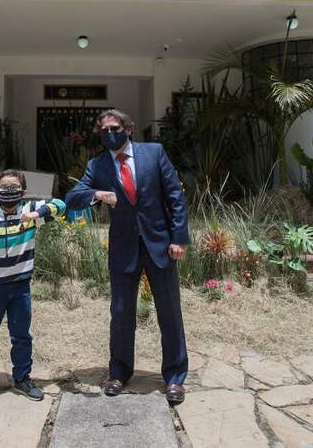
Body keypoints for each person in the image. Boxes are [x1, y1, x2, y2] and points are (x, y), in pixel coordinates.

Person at [65, 109, 190, 404]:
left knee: (169, 312)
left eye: (115, 128)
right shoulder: (97, 165)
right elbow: (72, 197)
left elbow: (175, 197)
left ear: (128, 129)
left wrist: (179, 238)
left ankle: (174, 378)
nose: (110, 133)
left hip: (160, 245)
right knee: (121, 313)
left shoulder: (154, 153)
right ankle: (119, 372)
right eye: (104, 130)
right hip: (123, 249)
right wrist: (97, 194)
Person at [0, 169, 66, 400]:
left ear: (23, 192)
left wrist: (36, 214)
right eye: (4, 189)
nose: (8, 193)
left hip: (21, 287)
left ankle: (22, 377)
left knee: (21, 335)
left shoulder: (30, 212)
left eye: (13, 189)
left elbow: (61, 206)